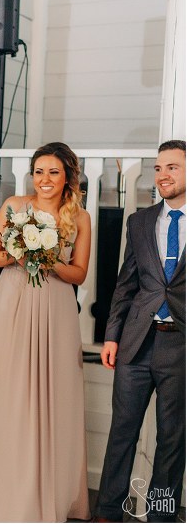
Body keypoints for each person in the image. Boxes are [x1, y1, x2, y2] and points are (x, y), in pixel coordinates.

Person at [0, 142, 92, 522]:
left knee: (57, 393)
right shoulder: (14, 205)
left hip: (57, 306)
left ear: (67, 177)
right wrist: (21, 253)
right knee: (11, 394)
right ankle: (12, 495)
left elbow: (79, 273)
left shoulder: (80, 217)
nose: (44, 180)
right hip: (13, 303)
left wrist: (49, 261)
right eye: (39, 172)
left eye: (53, 172)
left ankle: (55, 494)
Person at [94, 139, 185, 523]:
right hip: (135, 342)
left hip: (180, 347)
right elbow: (125, 283)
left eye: (173, 167)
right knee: (122, 433)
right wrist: (111, 334)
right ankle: (108, 512)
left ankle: (162, 516)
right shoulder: (141, 221)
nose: (162, 175)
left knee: (171, 441)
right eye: (159, 168)